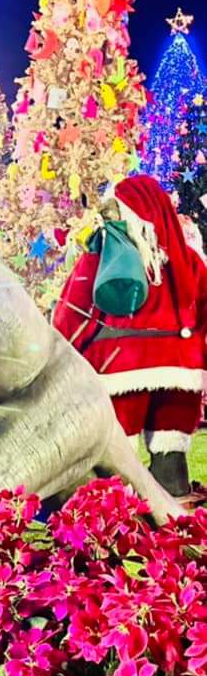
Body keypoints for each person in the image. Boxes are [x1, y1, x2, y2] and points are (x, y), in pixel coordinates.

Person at [53, 175, 207, 503]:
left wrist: (66, 352)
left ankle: (118, 507)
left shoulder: (107, 259)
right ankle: (173, 494)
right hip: (181, 371)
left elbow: (72, 313)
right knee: (170, 447)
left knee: (120, 447)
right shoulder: (189, 260)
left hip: (120, 367)